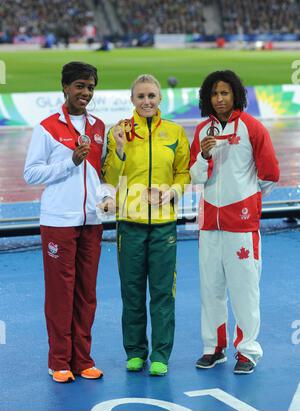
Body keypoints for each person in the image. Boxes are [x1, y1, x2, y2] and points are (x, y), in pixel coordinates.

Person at [24, 62, 114, 383]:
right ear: (64, 87)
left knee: (86, 293)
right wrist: (69, 162)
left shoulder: (100, 126)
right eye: (79, 86)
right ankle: (58, 361)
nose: (85, 93)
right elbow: (31, 173)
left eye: (90, 87)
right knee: (61, 293)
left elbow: (101, 174)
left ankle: (83, 359)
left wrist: (106, 196)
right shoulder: (47, 127)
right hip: (58, 221)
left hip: (92, 220)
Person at [190, 70, 280, 374]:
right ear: (207, 98)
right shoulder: (203, 131)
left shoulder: (253, 128)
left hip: (241, 225)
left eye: (225, 93)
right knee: (210, 288)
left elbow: (269, 175)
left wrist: (246, 199)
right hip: (209, 225)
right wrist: (203, 156)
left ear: (235, 95)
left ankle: (247, 350)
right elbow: (195, 176)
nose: (219, 99)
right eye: (214, 94)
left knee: (245, 289)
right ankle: (213, 348)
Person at [102, 74, 190, 376]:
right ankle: (135, 351)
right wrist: (121, 149)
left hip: (164, 225)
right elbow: (110, 179)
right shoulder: (119, 132)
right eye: (141, 97)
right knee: (132, 291)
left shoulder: (175, 132)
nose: (147, 101)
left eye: (151, 96)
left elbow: (183, 174)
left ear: (160, 99)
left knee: (164, 292)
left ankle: (161, 355)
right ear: (132, 100)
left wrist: (172, 192)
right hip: (129, 223)